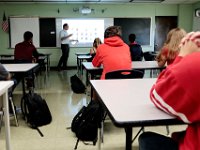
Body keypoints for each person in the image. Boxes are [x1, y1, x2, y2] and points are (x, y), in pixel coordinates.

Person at [138, 31, 200, 150]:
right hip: (180, 84)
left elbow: (157, 93)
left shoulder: (171, 50)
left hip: (173, 81)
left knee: (147, 139)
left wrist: (182, 57)